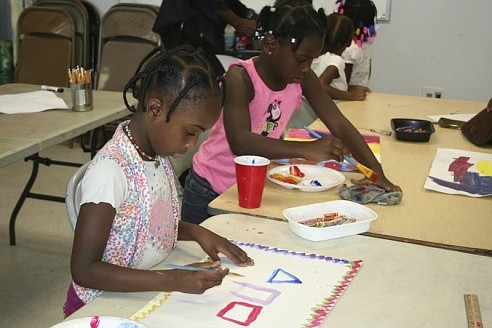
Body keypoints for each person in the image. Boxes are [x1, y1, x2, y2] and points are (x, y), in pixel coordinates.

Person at [63, 45, 254, 317]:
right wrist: (172, 279)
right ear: (154, 109)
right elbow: (84, 269)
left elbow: (146, 226)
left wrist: (200, 233)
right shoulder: (109, 173)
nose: (192, 144)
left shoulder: (155, 153)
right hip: (101, 307)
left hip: (143, 291)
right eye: (189, 132)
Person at [181, 0, 401, 225]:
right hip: (210, 187)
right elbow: (241, 142)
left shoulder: (302, 78)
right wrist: (306, 149)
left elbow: (339, 124)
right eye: (301, 60)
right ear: (270, 44)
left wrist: (376, 172)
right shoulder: (240, 78)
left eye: (312, 60)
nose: (307, 68)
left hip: (253, 186)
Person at [152, 0, 257, 76]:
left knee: (213, 77)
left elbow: (231, 3)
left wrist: (251, 16)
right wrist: (238, 22)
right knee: (194, 75)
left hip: (203, 29)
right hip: (185, 26)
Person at [312, 13, 368, 101]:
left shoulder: (315, 58)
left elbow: (333, 85)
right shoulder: (336, 60)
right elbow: (321, 85)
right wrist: (352, 96)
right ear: (349, 42)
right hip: (333, 110)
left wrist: (351, 88)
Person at [334, 0, 378, 87]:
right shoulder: (365, 45)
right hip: (359, 92)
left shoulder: (348, 48)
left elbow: (344, 83)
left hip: (347, 97)